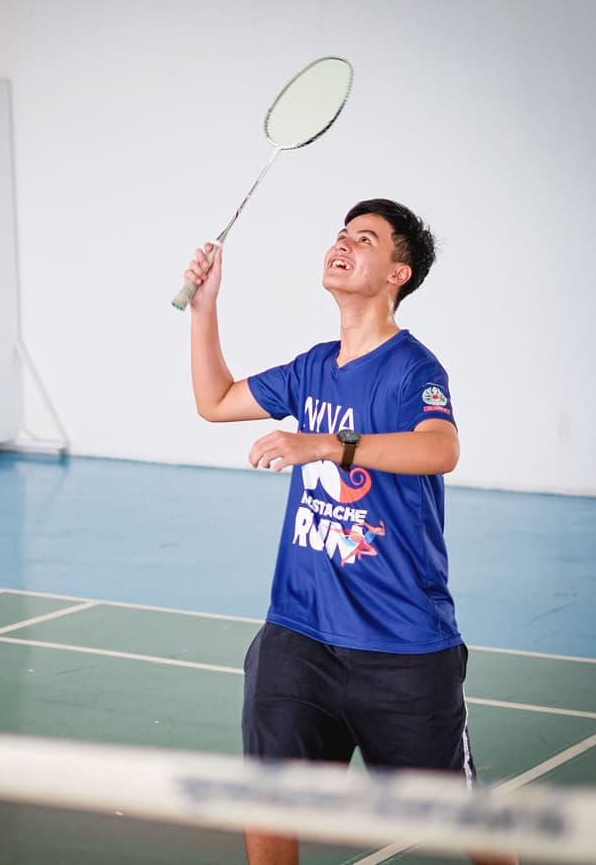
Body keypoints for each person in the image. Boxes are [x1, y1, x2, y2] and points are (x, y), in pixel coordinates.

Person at [183, 198, 518, 865]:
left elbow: (439, 449)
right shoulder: (312, 367)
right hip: (299, 631)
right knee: (267, 798)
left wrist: (328, 446)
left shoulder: (413, 370)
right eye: (341, 233)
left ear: (398, 273)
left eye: (364, 239)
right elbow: (215, 401)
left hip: (400, 643)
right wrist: (204, 306)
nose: (343, 243)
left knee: (462, 818)